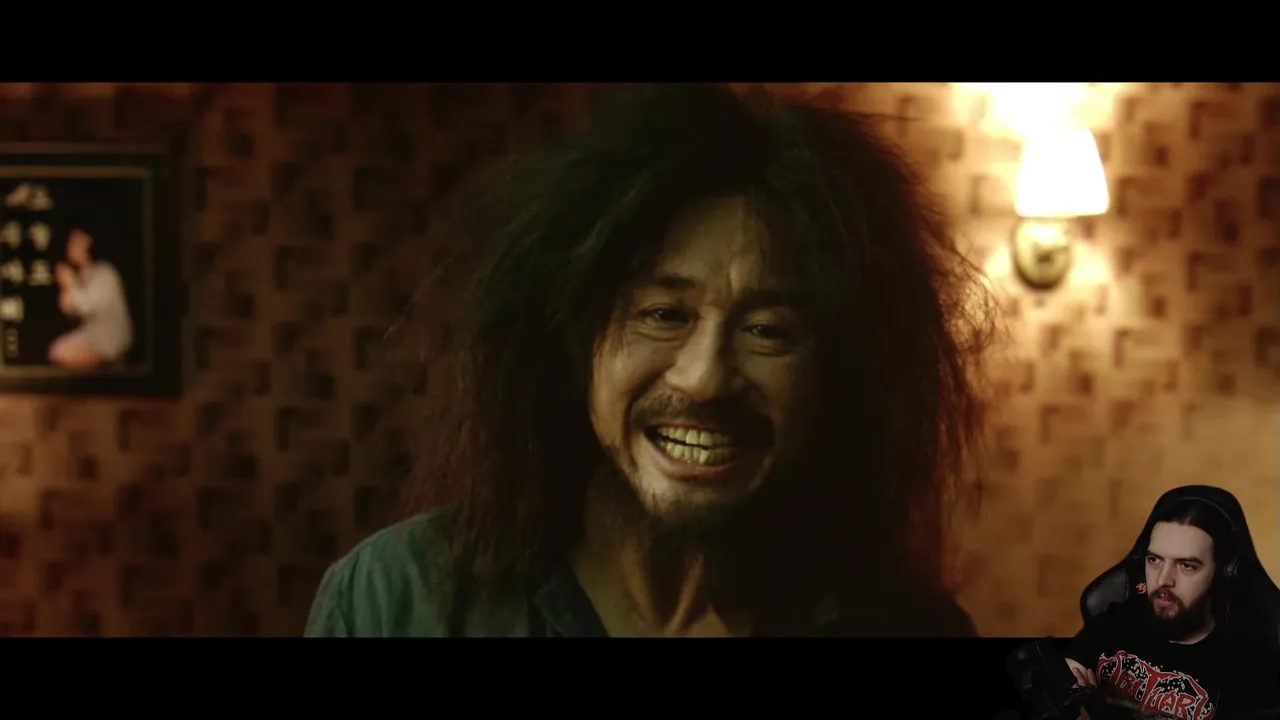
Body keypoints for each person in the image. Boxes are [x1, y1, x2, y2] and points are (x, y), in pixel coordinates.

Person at [305, 83, 997, 637]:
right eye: (664, 315)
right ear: (573, 337)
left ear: (839, 375)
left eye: (767, 331)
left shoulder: (904, 627)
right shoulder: (400, 601)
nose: (704, 379)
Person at [1065, 497, 1280, 719]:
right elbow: (1062, 687)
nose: (1162, 580)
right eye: (1154, 560)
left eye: (1186, 565)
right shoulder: (1114, 620)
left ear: (1222, 574)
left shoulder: (1249, 668)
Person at [49, 227, 133, 370]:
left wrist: (71, 284)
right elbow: (70, 310)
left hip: (110, 336)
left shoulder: (104, 272)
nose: (70, 246)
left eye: (76, 242)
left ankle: (108, 365)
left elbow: (86, 305)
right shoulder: (82, 274)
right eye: (71, 242)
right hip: (93, 334)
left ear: (88, 245)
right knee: (57, 350)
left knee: (62, 353)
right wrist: (66, 287)